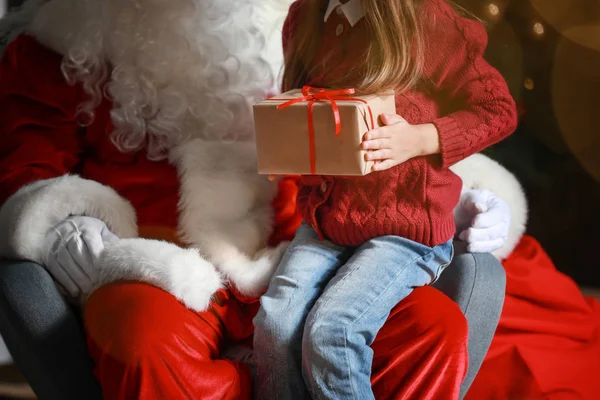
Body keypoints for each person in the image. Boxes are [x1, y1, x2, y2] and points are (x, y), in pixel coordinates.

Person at [0, 0, 523, 398]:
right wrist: (62, 224)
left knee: (430, 330)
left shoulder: (323, 16)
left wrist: (459, 196)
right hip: (161, 257)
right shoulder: (66, 33)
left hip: (311, 232)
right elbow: (25, 156)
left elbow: (411, 110)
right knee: (143, 341)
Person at [253, 0, 517, 399]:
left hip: (407, 226)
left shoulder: (427, 19)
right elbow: (311, 110)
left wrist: (420, 138)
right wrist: (291, 149)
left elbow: (497, 110)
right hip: (328, 220)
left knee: (334, 331)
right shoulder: (305, 17)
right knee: (274, 325)